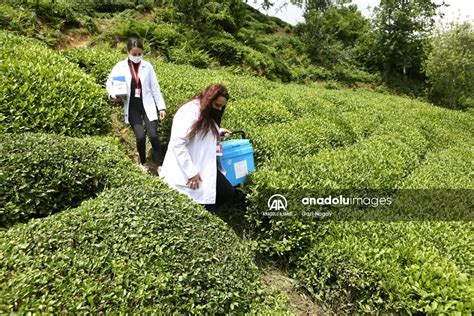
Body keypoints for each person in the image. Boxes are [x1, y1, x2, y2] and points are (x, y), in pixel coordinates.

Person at [159, 84, 235, 212]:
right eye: (217, 105)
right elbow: (177, 142)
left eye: (222, 106)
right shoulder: (191, 111)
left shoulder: (205, 110)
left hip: (204, 165)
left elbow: (200, 131)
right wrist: (191, 171)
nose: (219, 109)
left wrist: (218, 131)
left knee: (226, 192)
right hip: (189, 168)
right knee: (196, 205)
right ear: (209, 99)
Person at [106, 38, 166, 173]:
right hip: (132, 106)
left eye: (140, 54)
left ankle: (160, 164)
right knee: (140, 136)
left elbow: (155, 87)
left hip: (148, 106)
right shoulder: (120, 66)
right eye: (134, 54)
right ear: (128, 52)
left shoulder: (148, 66)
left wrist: (161, 107)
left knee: (153, 135)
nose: (137, 57)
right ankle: (143, 162)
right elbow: (109, 82)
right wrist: (112, 94)